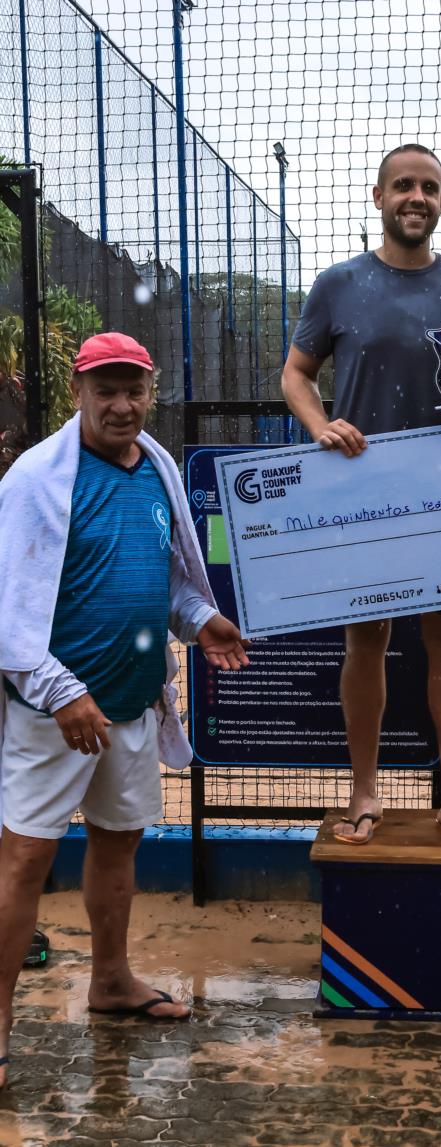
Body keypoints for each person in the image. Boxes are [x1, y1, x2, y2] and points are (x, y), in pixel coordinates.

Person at [0, 332, 249, 1089]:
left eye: (134, 390)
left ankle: (110, 980)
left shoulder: (157, 471)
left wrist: (201, 620)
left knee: (118, 841)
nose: (121, 405)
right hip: (52, 713)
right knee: (24, 860)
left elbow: (165, 581)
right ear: (78, 392)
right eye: (105, 390)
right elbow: (9, 612)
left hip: (133, 704)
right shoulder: (36, 480)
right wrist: (62, 692)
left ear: (150, 393)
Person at [281, 144, 441, 849]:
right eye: (404, 185)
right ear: (378, 197)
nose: (417, 197)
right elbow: (295, 373)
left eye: (429, 188)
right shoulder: (339, 283)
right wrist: (320, 425)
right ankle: (364, 793)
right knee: (366, 641)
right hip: (364, 493)